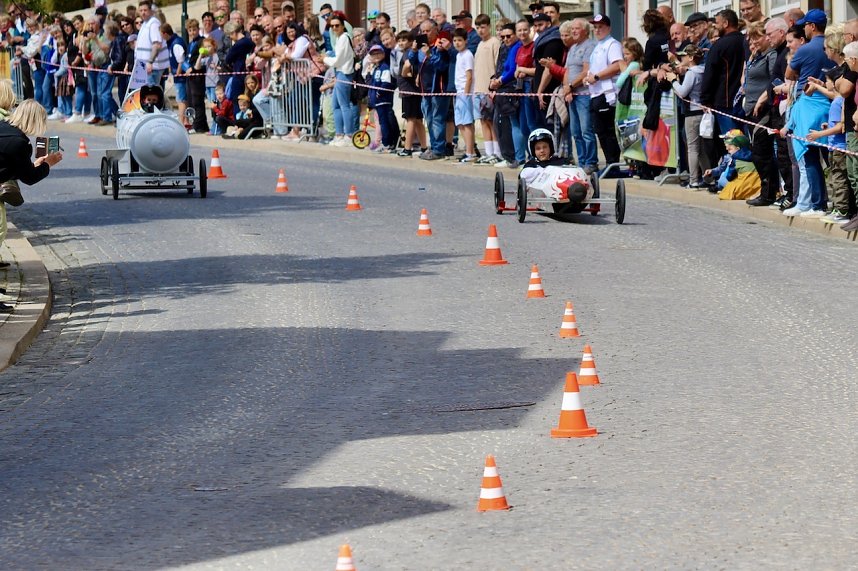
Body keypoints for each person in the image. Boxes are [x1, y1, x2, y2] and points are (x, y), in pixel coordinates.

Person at [805, 66, 848, 224]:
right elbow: (834, 125)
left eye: (828, 81)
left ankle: (842, 210)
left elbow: (839, 127)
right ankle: (838, 207)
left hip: (839, 147)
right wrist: (826, 126)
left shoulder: (838, 102)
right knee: (834, 177)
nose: (826, 83)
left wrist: (818, 135)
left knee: (839, 179)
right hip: (833, 146)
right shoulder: (837, 100)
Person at [699, 9, 746, 149]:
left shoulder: (719, 46)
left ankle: (737, 170)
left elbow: (710, 74)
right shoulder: (746, 41)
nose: (715, 27)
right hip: (744, 100)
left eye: (717, 23)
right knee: (745, 141)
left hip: (725, 102)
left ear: (726, 23)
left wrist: (705, 99)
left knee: (732, 143)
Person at [664, 45, 707, 188]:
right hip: (701, 111)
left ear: (691, 58)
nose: (682, 59)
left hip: (693, 113)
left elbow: (682, 92)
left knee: (693, 148)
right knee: (701, 149)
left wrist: (672, 80)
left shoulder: (692, 73)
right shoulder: (703, 70)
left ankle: (694, 180)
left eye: (684, 56)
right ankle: (708, 178)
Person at [584, 14, 623, 170]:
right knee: (600, 130)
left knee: (608, 131)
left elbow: (616, 66)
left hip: (607, 93)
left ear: (609, 28)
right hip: (596, 93)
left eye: (601, 27)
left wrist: (597, 76)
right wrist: (589, 76)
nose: (598, 30)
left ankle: (613, 164)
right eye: (596, 27)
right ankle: (609, 163)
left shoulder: (612, 45)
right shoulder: (598, 46)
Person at [322, 14, 358, 147]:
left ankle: (348, 135)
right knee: (335, 105)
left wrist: (324, 59)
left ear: (343, 26)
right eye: (332, 26)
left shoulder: (344, 38)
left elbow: (338, 61)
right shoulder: (338, 39)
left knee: (344, 105)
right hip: (339, 73)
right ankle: (339, 134)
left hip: (344, 73)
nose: (335, 28)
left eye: (337, 25)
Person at [395, 30, 427, 157]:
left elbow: (409, 67)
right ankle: (424, 147)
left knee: (411, 119)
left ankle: (407, 148)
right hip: (412, 91)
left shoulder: (408, 53)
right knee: (418, 120)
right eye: (399, 40)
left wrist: (404, 73)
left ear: (410, 42)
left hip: (410, 90)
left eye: (404, 40)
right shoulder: (406, 53)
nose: (401, 43)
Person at [703, 129, 759, 200]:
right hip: (753, 183)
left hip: (740, 182)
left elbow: (729, 175)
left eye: (727, 139)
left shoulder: (733, 157)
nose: (725, 143)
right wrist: (712, 171)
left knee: (722, 178)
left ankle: (721, 187)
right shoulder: (751, 154)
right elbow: (722, 168)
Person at [366, 44, 398, 152]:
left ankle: (387, 143)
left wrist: (379, 93)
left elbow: (386, 83)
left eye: (378, 53)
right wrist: (369, 72)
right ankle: (387, 143)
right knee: (382, 122)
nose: (376, 56)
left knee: (385, 123)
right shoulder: (375, 68)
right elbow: (369, 83)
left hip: (383, 101)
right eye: (373, 54)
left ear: (383, 54)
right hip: (377, 102)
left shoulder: (384, 67)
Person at [452, 28, 476, 162]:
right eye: (455, 40)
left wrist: (466, 93)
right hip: (458, 92)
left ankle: (470, 152)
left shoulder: (467, 55)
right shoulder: (458, 55)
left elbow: (469, 76)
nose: (457, 43)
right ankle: (468, 149)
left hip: (465, 93)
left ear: (466, 41)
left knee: (467, 123)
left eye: (460, 40)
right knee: (460, 123)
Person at [135, 0, 169, 86]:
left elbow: (157, 45)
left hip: (152, 68)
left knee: (152, 94)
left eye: (145, 10)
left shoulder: (153, 24)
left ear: (150, 11)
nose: (143, 13)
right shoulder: (145, 24)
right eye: (141, 10)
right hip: (144, 67)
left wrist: (150, 62)